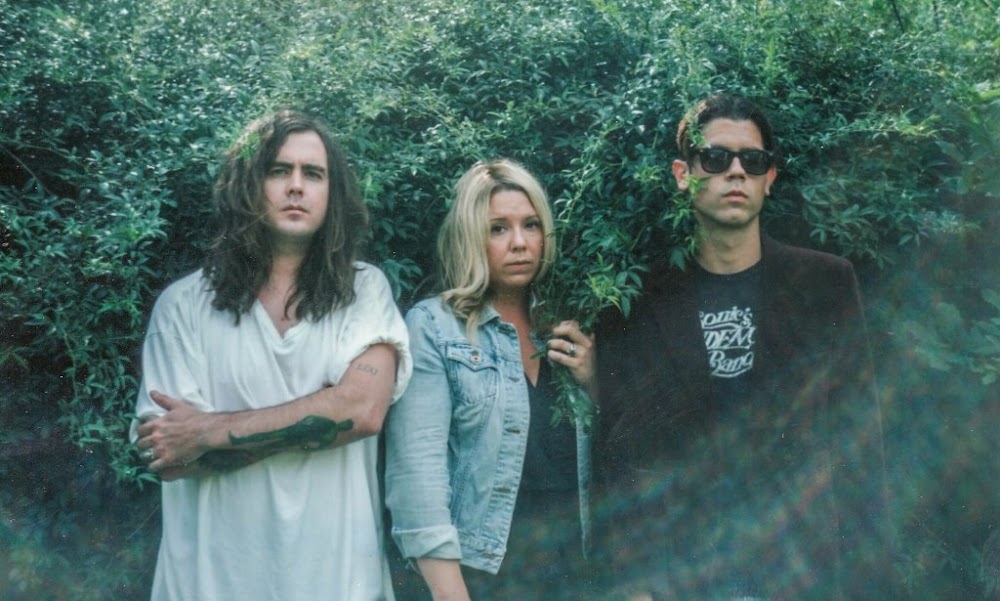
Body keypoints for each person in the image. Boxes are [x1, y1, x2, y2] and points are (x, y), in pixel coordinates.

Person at [595, 94, 891, 600]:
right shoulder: (640, 300)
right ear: (684, 174)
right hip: (684, 574)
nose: (736, 172)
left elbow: (859, 437)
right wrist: (633, 584)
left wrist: (869, 580)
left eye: (752, 161)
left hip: (799, 569)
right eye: (715, 158)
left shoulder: (825, 284)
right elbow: (623, 457)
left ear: (768, 178)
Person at [131, 110, 411, 601]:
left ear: (332, 194)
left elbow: (362, 410)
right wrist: (321, 412)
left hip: (337, 583)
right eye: (279, 170)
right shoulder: (183, 306)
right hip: (211, 584)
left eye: (314, 174)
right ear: (247, 184)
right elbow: (170, 458)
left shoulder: (364, 291)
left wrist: (207, 432)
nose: (296, 186)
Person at [384, 159, 596, 600]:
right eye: (498, 228)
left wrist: (596, 381)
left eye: (531, 225)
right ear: (469, 236)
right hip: (480, 579)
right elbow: (416, 479)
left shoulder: (567, 325)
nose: (519, 243)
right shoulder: (435, 327)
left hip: (573, 578)